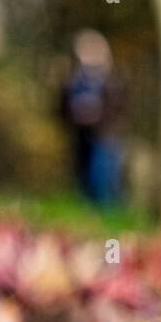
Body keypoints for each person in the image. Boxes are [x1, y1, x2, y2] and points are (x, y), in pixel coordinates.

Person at [59, 30, 124, 204]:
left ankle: (108, 212)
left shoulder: (111, 79)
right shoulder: (74, 81)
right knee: (83, 177)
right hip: (81, 135)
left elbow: (119, 108)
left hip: (105, 137)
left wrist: (96, 115)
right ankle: (87, 211)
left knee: (103, 179)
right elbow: (62, 107)